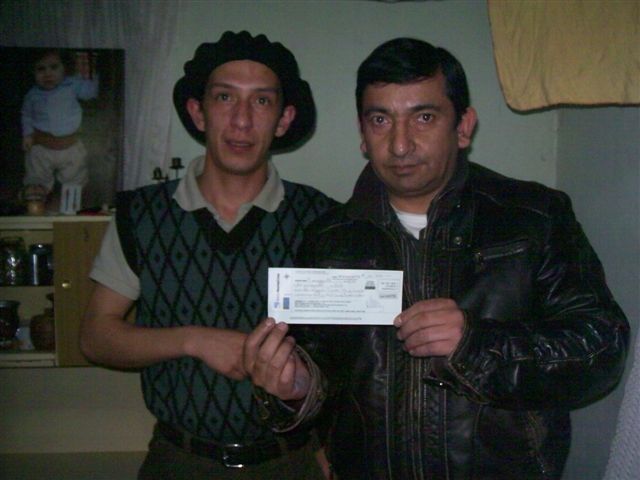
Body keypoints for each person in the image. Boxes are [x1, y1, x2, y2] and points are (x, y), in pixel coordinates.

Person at [243, 37, 630, 479]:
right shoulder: (329, 239)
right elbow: (321, 371)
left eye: (423, 117)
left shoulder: (534, 218)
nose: (400, 145)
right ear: (362, 135)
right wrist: (295, 386)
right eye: (380, 120)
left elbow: (602, 348)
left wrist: (476, 345)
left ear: (463, 127)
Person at [80, 31, 336, 479]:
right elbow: (95, 336)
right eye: (224, 97)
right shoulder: (142, 216)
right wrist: (193, 340)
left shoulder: (323, 220)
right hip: (179, 461)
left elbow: (347, 355)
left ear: (283, 119)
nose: (242, 120)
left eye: (261, 101)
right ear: (198, 112)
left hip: (292, 462)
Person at [21, 49, 98, 199]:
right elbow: (26, 115)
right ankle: (36, 195)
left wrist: (90, 74)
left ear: (64, 69)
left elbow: (90, 93)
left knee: (75, 174)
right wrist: (27, 134)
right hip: (41, 145)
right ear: (32, 73)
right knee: (37, 172)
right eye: (41, 69)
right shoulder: (32, 95)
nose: (47, 74)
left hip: (70, 144)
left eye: (54, 67)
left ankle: (72, 198)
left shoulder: (72, 84)